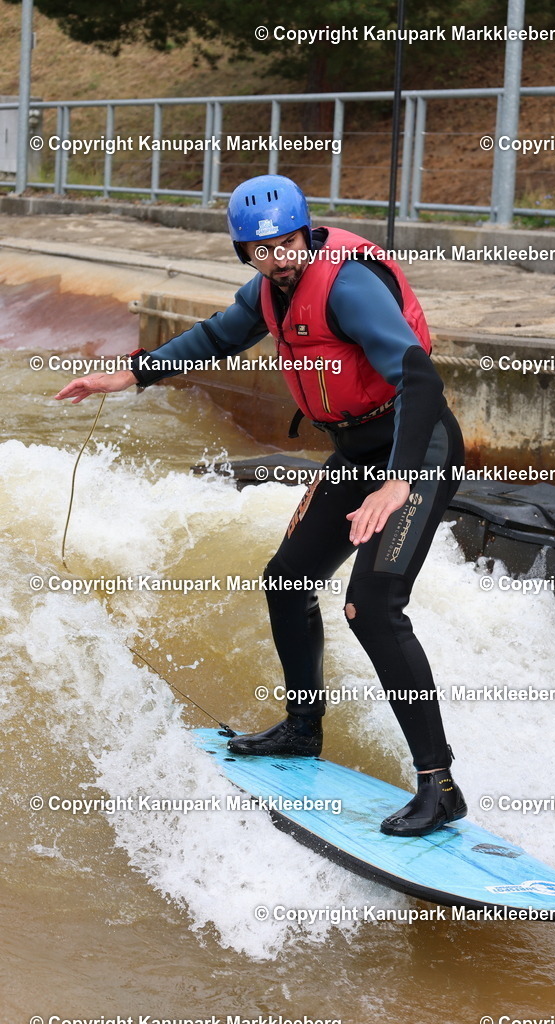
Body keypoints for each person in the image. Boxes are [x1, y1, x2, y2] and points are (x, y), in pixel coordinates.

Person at [55, 174, 467, 837]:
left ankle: (438, 785)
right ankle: (303, 730)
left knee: (373, 607)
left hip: (415, 450)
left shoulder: (349, 284)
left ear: (305, 232)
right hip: (358, 449)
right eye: (260, 249)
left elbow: (418, 375)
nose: (277, 257)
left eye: (286, 243)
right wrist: (130, 373)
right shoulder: (267, 291)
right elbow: (215, 336)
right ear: (242, 252)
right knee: (287, 580)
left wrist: (396, 483)